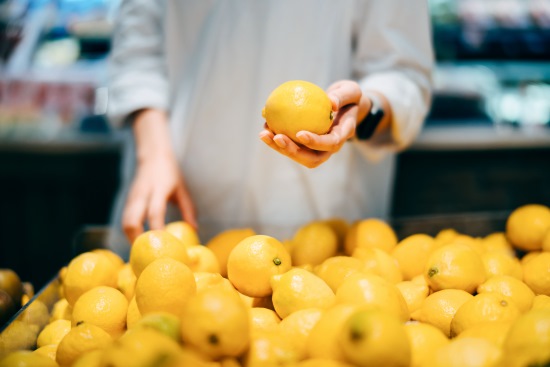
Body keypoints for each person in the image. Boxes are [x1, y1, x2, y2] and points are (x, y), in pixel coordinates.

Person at [107, 1, 434, 252]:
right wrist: (153, 155)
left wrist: (362, 111)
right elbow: (137, 45)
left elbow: (402, 72)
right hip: (181, 189)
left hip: (322, 211)